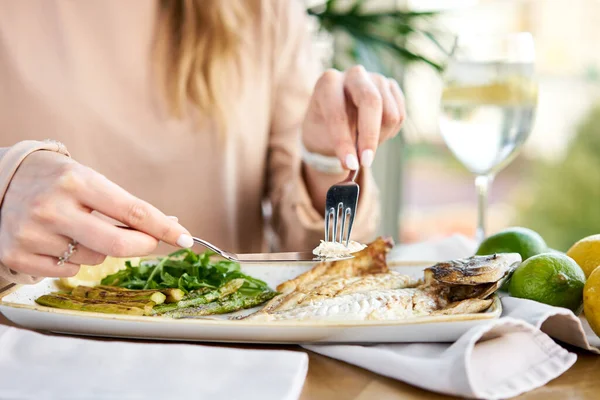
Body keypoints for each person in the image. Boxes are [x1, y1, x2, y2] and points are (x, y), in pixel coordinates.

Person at [0, 0, 405, 286]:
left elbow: (313, 253)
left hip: (235, 352)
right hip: (28, 349)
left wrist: (322, 160)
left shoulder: (265, 9)